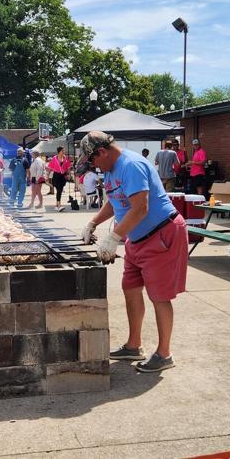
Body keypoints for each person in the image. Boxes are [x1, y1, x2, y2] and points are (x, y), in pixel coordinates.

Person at [78, 131, 187, 373]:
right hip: (136, 239)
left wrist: (113, 238)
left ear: (103, 152)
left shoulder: (132, 165)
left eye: (92, 160)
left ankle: (164, 354)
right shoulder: (110, 170)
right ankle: (134, 345)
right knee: (131, 288)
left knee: (159, 296)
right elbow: (114, 200)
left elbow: (140, 208)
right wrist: (93, 223)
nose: (92, 165)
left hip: (161, 234)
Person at [46, 146, 72, 212]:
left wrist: (69, 174)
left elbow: (68, 167)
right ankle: (59, 205)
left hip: (63, 176)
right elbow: (49, 168)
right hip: (56, 176)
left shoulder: (66, 158)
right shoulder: (54, 158)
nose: (64, 152)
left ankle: (56, 205)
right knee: (59, 190)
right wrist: (47, 177)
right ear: (59, 151)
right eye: (63, 150)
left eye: (64, 150)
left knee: (59, 190)